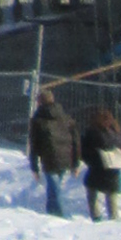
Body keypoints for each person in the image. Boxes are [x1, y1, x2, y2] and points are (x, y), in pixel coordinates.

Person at [28, 87, 79, 218]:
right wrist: (76, 163)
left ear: (39, 102)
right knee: (54, 189)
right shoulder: (66, 118)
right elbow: (76, 140)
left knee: (54, 190)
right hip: (65, 157)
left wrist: (34, 166)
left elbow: (34, 144)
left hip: (49, 158)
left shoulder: (37, 120)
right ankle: (51, 215)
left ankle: (58, 216)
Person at [82, 108, 121, 221]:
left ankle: (97, 218)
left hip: (97, 169)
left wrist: (89, 160)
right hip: (114, 169)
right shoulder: (116, 132)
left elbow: (85, 151)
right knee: (112, 196)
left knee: (92, 195)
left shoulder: (92, 133)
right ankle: (114, 218)